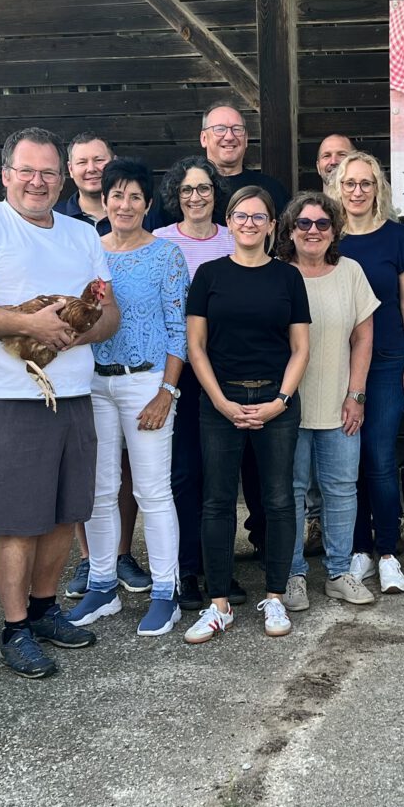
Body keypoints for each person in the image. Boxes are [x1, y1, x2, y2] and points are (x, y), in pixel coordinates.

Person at [0, 128, 118, 677]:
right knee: (18, 520)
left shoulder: (81, 234)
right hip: (9, 395)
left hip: (72, 392)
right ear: (5, 175)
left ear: (62, 178)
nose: (37, 181)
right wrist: (32, 324)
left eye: (48, 172)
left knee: (67, 512)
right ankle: (15, 625)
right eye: (26, 170)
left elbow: (110, 314)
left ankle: (46, 608)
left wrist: (74, 331)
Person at [182, 185, 310, 643]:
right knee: (217, 502)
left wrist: (280, 401)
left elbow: (300, 349)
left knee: (277, 501)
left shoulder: (288, 279)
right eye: (241, 215)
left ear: (273, 226)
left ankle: (275, 597)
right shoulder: (209, 275)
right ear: (229, 221)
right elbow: (195, 347)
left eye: (260, 217)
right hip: (220, 402)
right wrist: (219, 401)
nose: (250, 223)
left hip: (276, 403)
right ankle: (218, 605)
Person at [67, 159, 188, 637]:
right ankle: (101, 584)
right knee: (98, 491)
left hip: (147, 383)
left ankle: (165, 591)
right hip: (95, 382)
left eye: (135, 196)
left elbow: (178, 330)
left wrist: (167, 390)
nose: (124, 204)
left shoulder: (166, 256)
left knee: (152, 491)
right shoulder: (89, 252)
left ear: (148, 204)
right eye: (116, 195)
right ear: (103, 200)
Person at [280, 191, 381, 608]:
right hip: (288, 405)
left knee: (341, 488)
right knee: (292, 490)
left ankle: (339, 572)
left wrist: (356, 394)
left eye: (322, 224)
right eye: (304, 223)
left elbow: (363, 336)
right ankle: (292, 575)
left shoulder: (351, 272)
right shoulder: (276, 273)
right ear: (290, 229)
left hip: (340, 401)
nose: (313, 231)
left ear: (334, 230)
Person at [328, 150, 404, 594]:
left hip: (386, 360)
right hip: (334, 362)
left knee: (379, 458)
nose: (358, 191)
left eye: (366, 183)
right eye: (350, 183)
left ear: (378, 188)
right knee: (349, 460)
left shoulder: (396, 237)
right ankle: (359, 549)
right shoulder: (328, 237)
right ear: (338, 188)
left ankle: (387, 551)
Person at [154, 156, 236, 609]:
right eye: (187, 190)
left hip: (225, 370)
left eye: (204, 188)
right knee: (184, 473)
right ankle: (186, 569)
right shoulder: (162, 242)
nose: (196, 197)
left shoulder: (232, 239)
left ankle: (219, 569)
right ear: (176, 197)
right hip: (178, 372)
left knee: (221, 476)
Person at [200, 104, 288, 222]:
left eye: (237, 129)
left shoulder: (272, 189)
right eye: (220, 129)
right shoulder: (187, 191)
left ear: (246, 139)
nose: (229, 136)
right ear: (204, 138)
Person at [60, 133, 113, 235]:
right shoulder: (54, 218)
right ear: (70, 169)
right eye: (82, 162)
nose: (91, 169)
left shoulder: (140, 216)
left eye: (99, 160)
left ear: (115, 163)